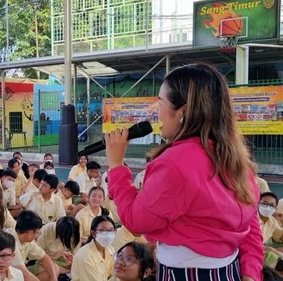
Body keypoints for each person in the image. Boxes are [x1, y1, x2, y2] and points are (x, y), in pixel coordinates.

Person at [105, 63, 263, 281]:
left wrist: (116, 166)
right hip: (228, 273)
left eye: (161, 102)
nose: (157, 111)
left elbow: (135, 221)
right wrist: (250, 273)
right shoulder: (237, 159)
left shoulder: (174, 164)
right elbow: (249, 224)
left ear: (184, 111)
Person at [12, 210, 59, 281]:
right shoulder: (11, 243)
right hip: (12, 276)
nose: (38, 235)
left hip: (22, 271)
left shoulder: (27, 240)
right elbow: (24, 274)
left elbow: (44, 257)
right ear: (30, 233)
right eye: (38, 232)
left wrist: (54, 278)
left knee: (54, 269)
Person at [71, 215, 116, 281]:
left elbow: (113, 275)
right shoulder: (85, 257)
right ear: (93, 233)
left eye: (111, 230)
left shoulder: (110, 249)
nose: (108, 234)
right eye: (103, 230)